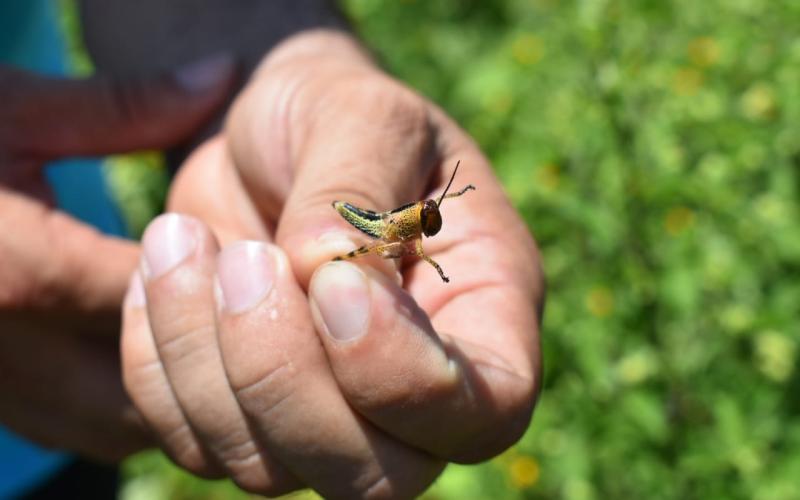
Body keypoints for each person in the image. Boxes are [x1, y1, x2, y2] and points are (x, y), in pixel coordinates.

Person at [2, 1, 544, 498]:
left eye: (429, 215)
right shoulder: (397, 231)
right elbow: (380, 236)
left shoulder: (412, 230)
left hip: (56, 434)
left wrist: (299, 61)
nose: (430, 219)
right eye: (427, 214)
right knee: (344, 252)